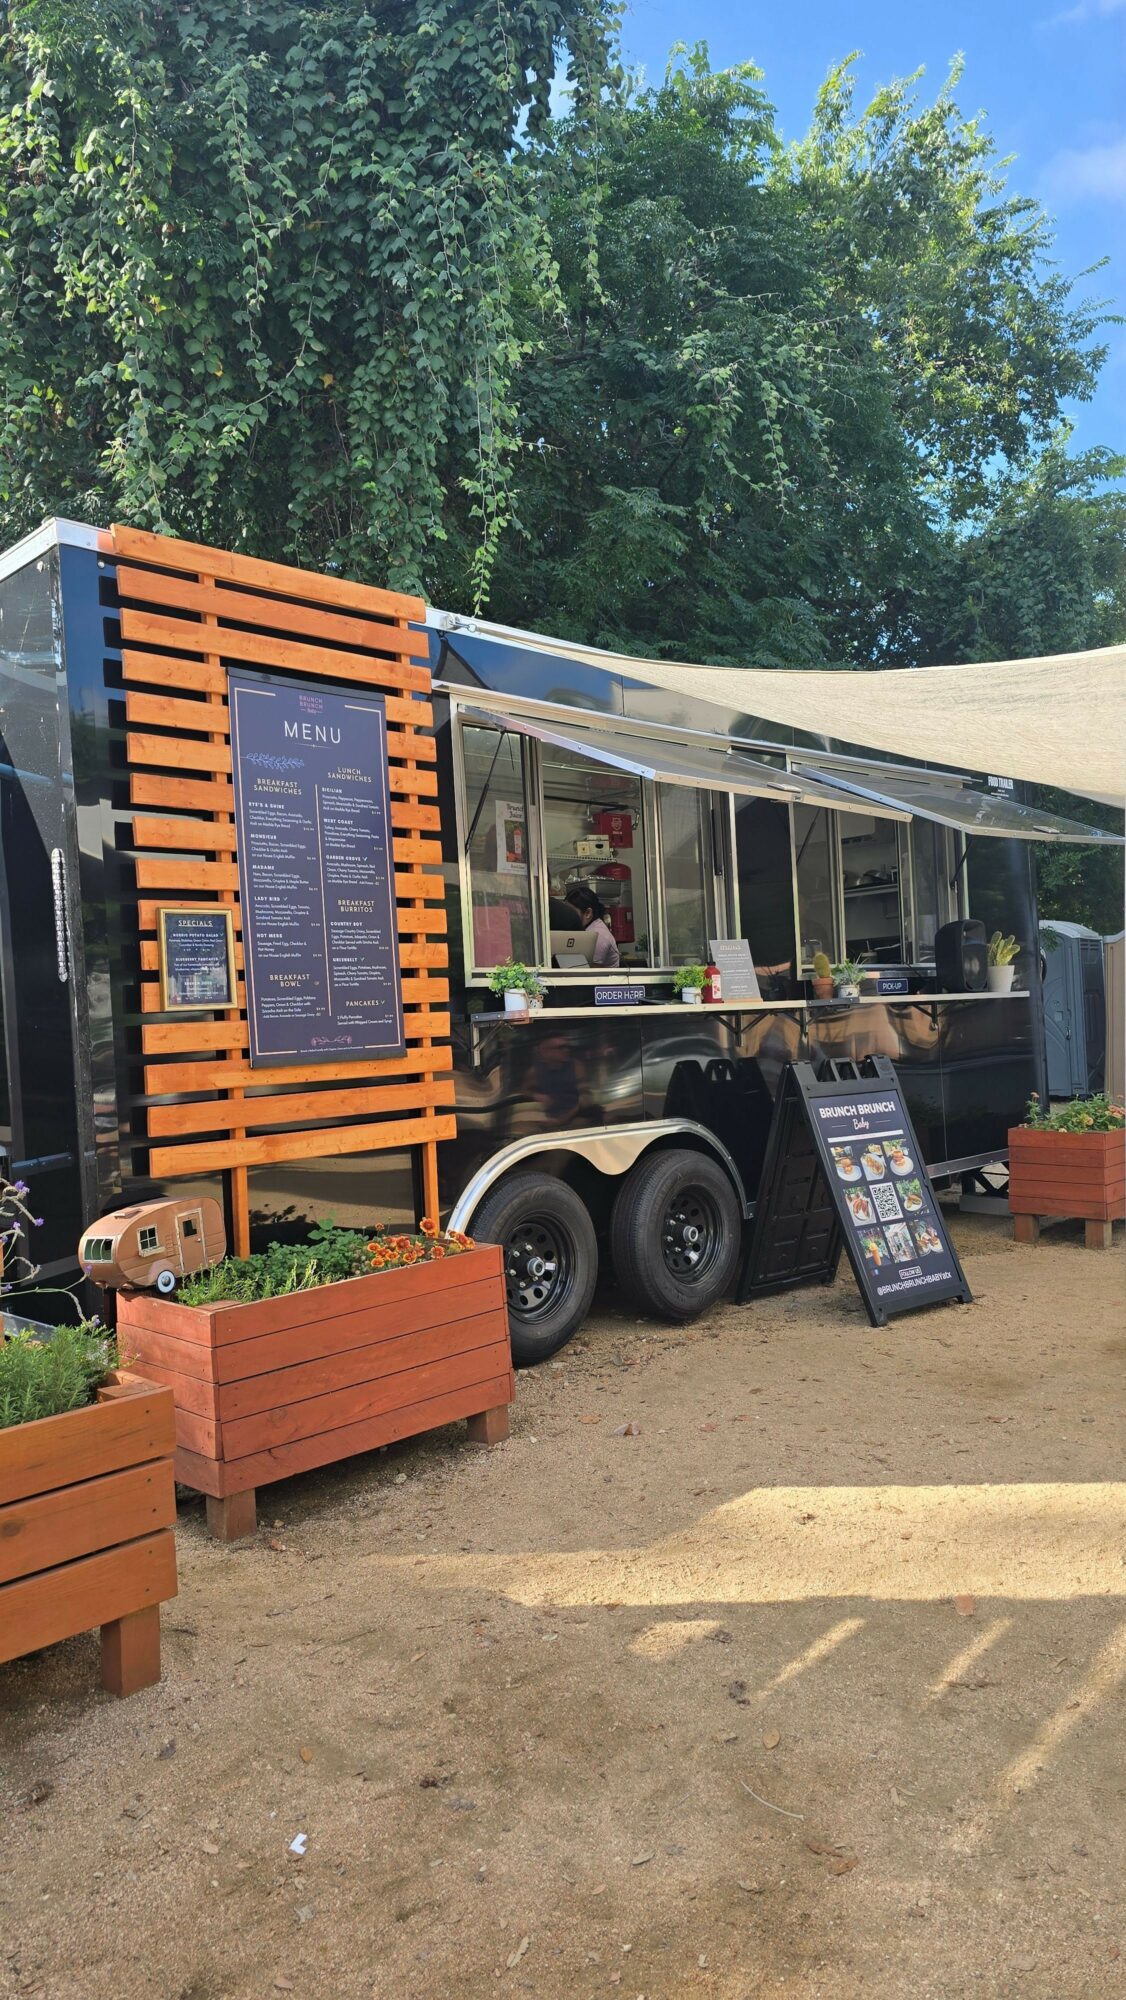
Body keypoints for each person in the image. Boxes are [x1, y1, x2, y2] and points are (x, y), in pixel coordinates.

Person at [565, 884, 620, 968]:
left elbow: (590, 971)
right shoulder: (588, 929)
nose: (567, 916)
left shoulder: (598, 935)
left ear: (588, 913)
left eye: (571, 912)